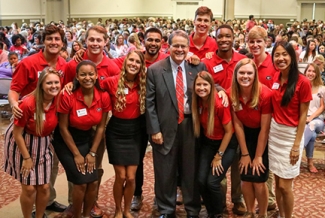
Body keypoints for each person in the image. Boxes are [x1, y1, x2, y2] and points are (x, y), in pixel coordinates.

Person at [8, 24, 68, 215]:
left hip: (49, 126)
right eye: (49, 39)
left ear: (62, 42)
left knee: (48, 174)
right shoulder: (28, 63)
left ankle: (47, 202)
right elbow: (14, 89)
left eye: (57, 39)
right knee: (29, 181)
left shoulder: (63, 65)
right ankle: (32, 208)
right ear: (43, 41)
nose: (53, 42)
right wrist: (14, 105)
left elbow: (63, 91)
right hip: (27, 124)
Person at [146, 30, 207, 218]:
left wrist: (220, 91)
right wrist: (154, 130)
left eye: (183, 46)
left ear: (188, 48)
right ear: (168, 46)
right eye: (176, 45)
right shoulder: (155, 70)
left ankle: (192, 209)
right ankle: (166, 209)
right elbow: (150, 103)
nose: (180, 49)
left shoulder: (197, 67)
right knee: (165, 170)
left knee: (191, 170)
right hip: (164, 128)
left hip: (191, 126)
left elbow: (209, 87)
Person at [63, 25, 120, 218]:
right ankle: (74, 203)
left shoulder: (112, 67)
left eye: (99, 40)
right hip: (75, 122)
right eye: (91, 40)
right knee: (76, 166)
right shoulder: (73, 65)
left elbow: (115, 94)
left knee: (94, 162)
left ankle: (92, 201)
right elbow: (64, 92)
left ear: (105, 42)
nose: (95, 43)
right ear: (85, 41)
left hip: (99, 119)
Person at [53, 60, 110, 218]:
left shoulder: (103, 95)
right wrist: (77, 154)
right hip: (66, 140)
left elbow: (100, 127)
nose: (87, 77)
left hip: (87, 139)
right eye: (83, 74)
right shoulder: (68, 95)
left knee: (93, 182)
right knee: (81, 183)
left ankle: (86, 215)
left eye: (91, 74)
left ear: (96, 75)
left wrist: (92, 153)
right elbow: (63, 128)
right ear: (76, 76)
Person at [4, 68, 61, 218]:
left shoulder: (58, 99)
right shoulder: (28, 103)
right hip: (22, 142)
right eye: (49, 83)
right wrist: (27, 158)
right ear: (41, 85)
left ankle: (40, 215)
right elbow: (17, 133)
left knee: (44, 186)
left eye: (56, 82)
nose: (53, 86)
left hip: (44, 142)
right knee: (29, 188)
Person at [202, 24, 247, 215]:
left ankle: (238, 199)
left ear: (234, 37)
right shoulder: (209, 61)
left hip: (241, 120)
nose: (224, 40)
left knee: (238, 165)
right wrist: (219, 90)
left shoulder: (242, 60)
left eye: (228, 36)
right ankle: (218, 200)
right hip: (218, 122)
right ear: (215, 38)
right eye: (220, 36)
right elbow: (205, 84)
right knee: (218, 167)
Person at [269, 41, 312, 218]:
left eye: (284, 54)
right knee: (277, 182)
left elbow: (303, 116)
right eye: (277, 55)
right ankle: (281, 213)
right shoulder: (275, 78)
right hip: (275, 135)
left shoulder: (303, 82)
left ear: (292, 57)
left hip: (291, 136)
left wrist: (296, 146)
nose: (280, 58)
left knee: (285, 186)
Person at [101, 51, 146, 218]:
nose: (134, 64)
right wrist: (72, 85)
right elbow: (90, 84)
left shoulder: (144, 84)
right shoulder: (111, 82)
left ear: (142, 66)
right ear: (125, 61)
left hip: (135, 132)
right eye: (131, 60)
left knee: (132, 177)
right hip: (116, 132)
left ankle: (127, 210)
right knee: (120, 176)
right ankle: (118, 210)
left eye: (137, 62)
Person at [229, 58, 272, 218]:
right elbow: (238, 125)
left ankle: (263, 214)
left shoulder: (265, 94)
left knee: (259, 180)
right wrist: (245, 154)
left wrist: (258, 156)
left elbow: (265, 129)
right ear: (236, 74)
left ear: (255, 75)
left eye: (249, 73)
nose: (245, 76)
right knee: (246, 178)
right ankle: (249, 211)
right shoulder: (232, 93)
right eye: (241, 72)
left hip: (262, 137)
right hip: (244, 136)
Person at [192, 71, 237, 218]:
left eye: (205, 84)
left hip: (226, 144)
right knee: (200, 180)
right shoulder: (197, 101)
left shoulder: (219, 103)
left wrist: (219, 155)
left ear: (212, 86)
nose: (201, 88)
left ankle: (218, 213)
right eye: (198, 84)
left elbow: (229, 132)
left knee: (212, 182)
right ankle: (211, 211)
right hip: (208, 143)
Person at [246, 26, 277, 211]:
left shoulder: (274, 65)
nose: (255, 45)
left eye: (259, 41)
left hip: (270, 122)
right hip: (250, 122)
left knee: (267, 162)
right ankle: (251, 201)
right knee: (252, 163)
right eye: (252, 41)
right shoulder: (247, 63)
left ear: (266, 42)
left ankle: (269, 199)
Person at [303, 63, 325, 173]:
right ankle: (310, 163)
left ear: (316, 74)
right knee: (312, 135)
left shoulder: (321, 89)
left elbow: (322, 107)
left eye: (313, 71)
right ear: (305, 72)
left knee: (312, 125)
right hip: (303, 119)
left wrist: (310, 118)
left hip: (317, 120)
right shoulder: (301, 86)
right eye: (309, 71)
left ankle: (298, 151)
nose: (311, 73)